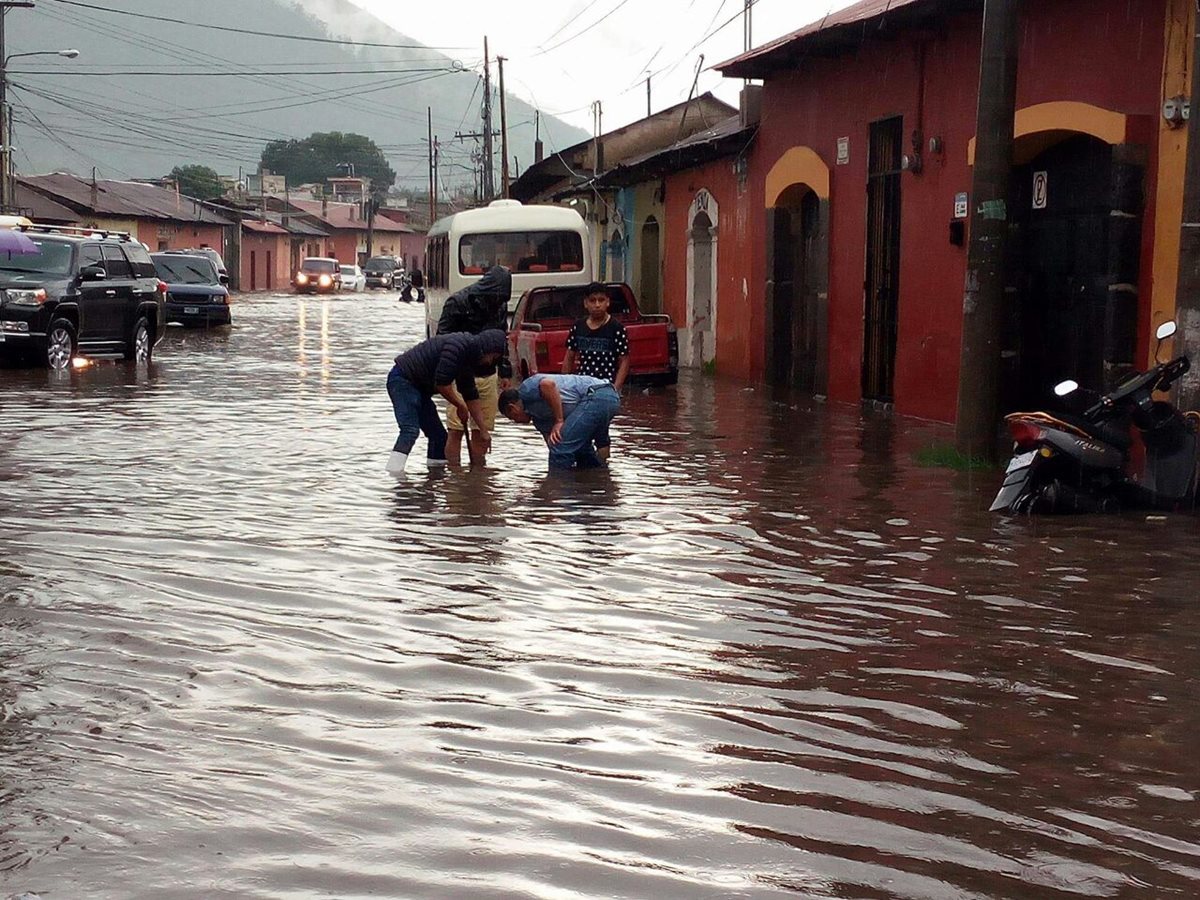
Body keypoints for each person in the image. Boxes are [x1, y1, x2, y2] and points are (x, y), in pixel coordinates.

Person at [385, 329, 507, 475]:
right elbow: (442, 384)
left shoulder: (467, 360)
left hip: (421, 388)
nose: (490, 362)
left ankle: (435, 477)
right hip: (402, 380)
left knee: (439, 436)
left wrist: (483, 430)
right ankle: (394, 477)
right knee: (410, 430)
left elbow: (470, 395)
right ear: (487, 350)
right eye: (493, 357)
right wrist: (460, 405)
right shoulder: (457, 348)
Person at [436, 265, 513, 466]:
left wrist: (505, 370)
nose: (497, 302)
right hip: (460, 374)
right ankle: (454, 475)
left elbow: (502, 339)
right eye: (495, 297)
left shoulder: (500, 306)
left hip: (488, 375)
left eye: (502, 299)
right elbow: (442, 339)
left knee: (482, 429)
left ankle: (478, 478)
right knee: (455, 429)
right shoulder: (458, 303)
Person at [562, 282, 630, 461]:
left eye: (601, 300)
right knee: (581, 429)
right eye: (593, 300)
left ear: (608, 302)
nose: (597, 304)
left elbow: (624, 361)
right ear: (586, 303)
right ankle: (592, 474)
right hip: (581, 389)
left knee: (601, 431)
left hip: (604, 390)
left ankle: (601, 472)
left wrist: (616, 388)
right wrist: (564, 384)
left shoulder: (616, 328)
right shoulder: (578, 327)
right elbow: (569, 356)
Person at [498, 373, 621, 471]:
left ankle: (557, 493)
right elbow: (552, 443)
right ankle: (597, 485)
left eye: (512, 418)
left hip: (598, 394)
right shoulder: (539, 420)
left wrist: (559, 420)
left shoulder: (526, 390)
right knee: (580, 451)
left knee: (561, 448)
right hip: (604, 398)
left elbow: (548, 384)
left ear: (512, 408)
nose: (516, 422)